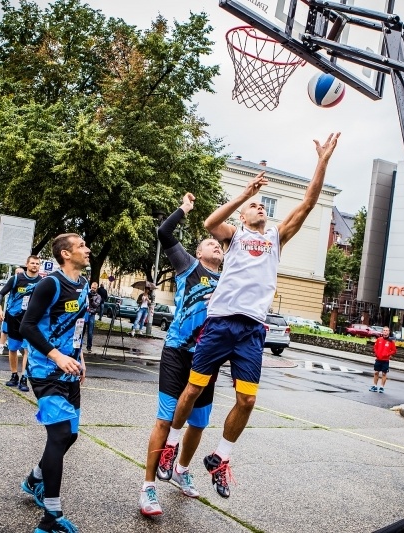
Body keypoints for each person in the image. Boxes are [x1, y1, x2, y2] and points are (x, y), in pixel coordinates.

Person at [164, 132, 341, 499]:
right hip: (221, 323)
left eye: (263, 206)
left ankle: (220, 457)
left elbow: (308, 204)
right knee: (194, 389)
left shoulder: (276, 237)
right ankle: (172, 444)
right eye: (255, 207)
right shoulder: (234, 235)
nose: (261, 209)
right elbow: (211, 223)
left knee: (247, 400)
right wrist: (244, 195)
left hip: (251, 330)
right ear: (244, 215)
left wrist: (322, 161)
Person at [140, 192, 223, 516]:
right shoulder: (189, 267)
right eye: (210, 244)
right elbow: (164, 234)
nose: (216, 246)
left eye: (218, 245)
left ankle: (181, 468)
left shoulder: (229, 279)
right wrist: (185, 208)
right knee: (166, 419)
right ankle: (148, 488)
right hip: (178, 352)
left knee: (199, 423)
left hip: (209, 357)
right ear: (198, 252)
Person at [19, 233, 90, 533]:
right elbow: (27, 325)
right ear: (65, 253)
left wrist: (80, 358)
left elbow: (78, 326)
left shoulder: (84, 285)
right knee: (59, 435)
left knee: (69, 435)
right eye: (82, 246)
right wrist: (56, 356)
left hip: (70, 370)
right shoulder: (51, 284)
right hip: (46, 371)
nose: (87, 250)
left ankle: (35, 479)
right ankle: (51, 518)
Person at [0, 258, 41, 391]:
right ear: (27, 264)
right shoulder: (16, 279)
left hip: (30, 320)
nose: (35, 266)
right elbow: (1, 293)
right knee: (13, 348)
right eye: (32, 263)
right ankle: (14, 375)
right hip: (13, 318)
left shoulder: (42, 282)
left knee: (28, 350)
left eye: (37, 264)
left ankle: (24, 378)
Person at [0, 267, 25, 355]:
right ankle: (1, 346)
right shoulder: (13, 281)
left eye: (21, 273)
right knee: (5, 330)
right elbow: (1, 293)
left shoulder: (27, 283)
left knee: (19, 331)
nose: (19, 274)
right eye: (18, 273)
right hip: (11, 311)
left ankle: (16, 348)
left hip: (23, 313)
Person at [369, 326, 396, 393]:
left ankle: (381, 387)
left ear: (389, 332)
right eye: (384, 330)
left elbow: (394, 350)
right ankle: (374, 386)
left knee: (384, 374)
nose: (385, 332)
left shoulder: (391, 341)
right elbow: (375, 347)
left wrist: (388, 354)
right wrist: (376, 353)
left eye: (386, 330)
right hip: (378, 359)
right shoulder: (379, 339)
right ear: (382, 331)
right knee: (376, 372)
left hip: (385, 360)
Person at [84, 282, 102, 353]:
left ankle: (89, 346)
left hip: (91, 314)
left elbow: (95, 305)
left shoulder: (98, 296)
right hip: (85, 313)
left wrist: (91, 298)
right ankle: (78, 345)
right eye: (92, 288)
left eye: (94, 288)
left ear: (97, 288)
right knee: (81, 330)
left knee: (90, 332)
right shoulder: (86, 293)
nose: (93, 289)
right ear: (90, 287)